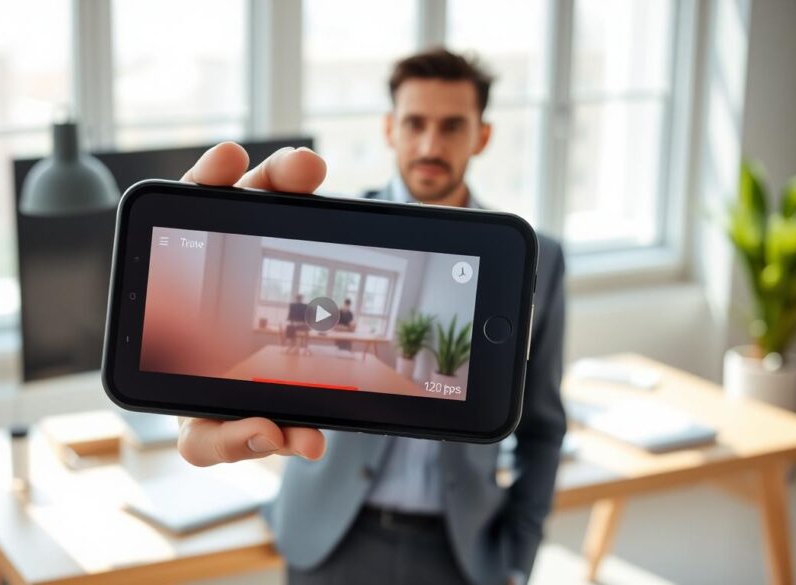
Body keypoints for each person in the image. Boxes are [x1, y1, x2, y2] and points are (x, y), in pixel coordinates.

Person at [175, 47, 566, 585]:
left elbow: (543, 427)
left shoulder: (536, 258)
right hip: (331, 537)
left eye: (452, 126)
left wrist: (520, 555)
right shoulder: (329, 225)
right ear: (389, 129)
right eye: (415, 123)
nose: (431, 145)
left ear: (482, 136)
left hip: (462, 553)